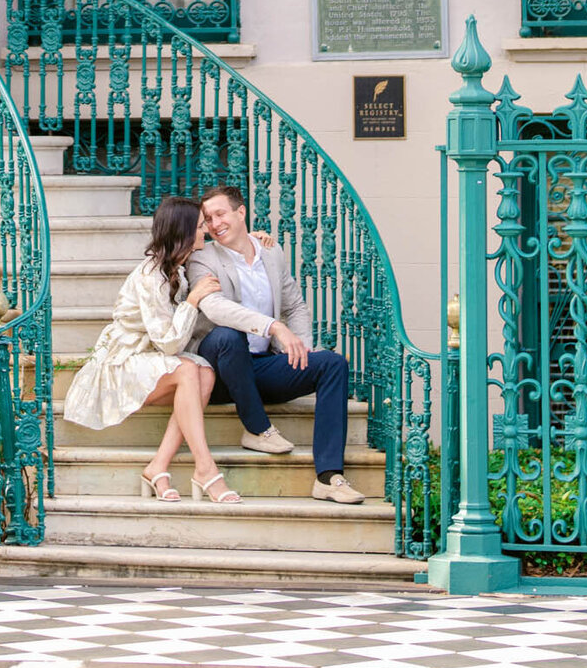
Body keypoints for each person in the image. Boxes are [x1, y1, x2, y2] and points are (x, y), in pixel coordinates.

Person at [187, 183, 365, 506]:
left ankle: (328, 477)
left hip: (259, 366)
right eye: (208, 218)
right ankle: (257, 429)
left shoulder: (271, 251)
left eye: (220, 214)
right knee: (229, 335)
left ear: (241, 212)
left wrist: (300, 348)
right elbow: (214, 308)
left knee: (332, 364)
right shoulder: (203, 258)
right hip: (219, 373)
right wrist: (273, 326)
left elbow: (296, 305)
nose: (214, 224)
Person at [62, 196, 243, 504]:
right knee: (187, 370)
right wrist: (192, 301)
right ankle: (205, 468)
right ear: (184, 232)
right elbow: (170, 343)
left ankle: (158, 466)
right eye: (201, 226)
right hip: (122, 363)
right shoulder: (152, 276)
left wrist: (257, 239)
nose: (207, 231)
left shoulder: (179, 269)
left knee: (205, 373)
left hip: (150, 357)